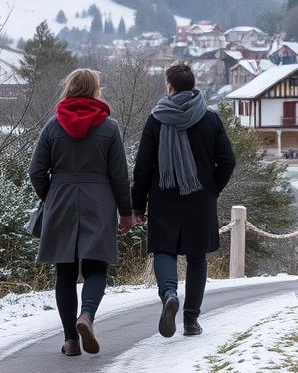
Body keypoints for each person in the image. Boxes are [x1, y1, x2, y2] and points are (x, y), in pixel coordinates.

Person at [29, 68, 134, 357]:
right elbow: (120, 176)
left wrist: (50, 196)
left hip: (60, 200)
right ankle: (86, 316)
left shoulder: (53, 126)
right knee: (96, 268)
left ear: (69, 88)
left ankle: (70, 341)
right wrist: (126, 212)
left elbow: (36, 171)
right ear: (95, 90)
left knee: (64, 271)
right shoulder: (109, 128)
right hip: (98, 201)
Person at [133, 62, 236, 338]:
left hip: (163, 197)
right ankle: (191, 320)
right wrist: (212, 188)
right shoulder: (210, 118)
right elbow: (228, 160)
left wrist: (137, 205)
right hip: (199, 199)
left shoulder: (156, 119)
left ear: (170, 86)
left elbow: (142, 166)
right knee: (197, 258)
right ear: (193, 85)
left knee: (164, 251)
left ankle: (169, 294)